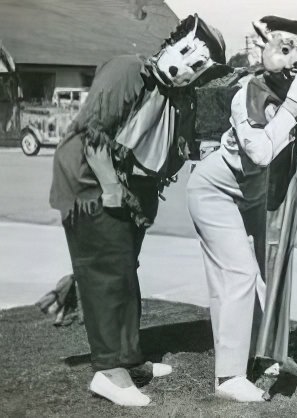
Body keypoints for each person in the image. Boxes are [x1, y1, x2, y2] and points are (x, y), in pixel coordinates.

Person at [48, 15, 227, 406]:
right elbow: (94, 133)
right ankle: (109, 372)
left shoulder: (179, 99)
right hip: (92, 184)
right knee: (110, 273)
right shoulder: (127, 71)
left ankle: (129, 359)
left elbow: (171, 151)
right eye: (197, 55)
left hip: (130, 189)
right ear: (179, 44)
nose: (195, 68)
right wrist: (111, 187)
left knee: (125, 272)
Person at [186, 15, 297, 402]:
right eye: (285, 49)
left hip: (251, 192)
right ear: (263, 46)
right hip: (216, 189)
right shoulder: (248, 91)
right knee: (239, 274)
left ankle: (268, 355)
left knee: (267, 276)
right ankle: (229, 376)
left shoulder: (290, 86)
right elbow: (261, 151)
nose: (295, 59)